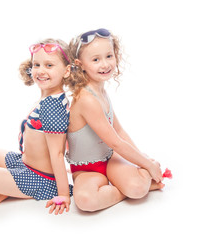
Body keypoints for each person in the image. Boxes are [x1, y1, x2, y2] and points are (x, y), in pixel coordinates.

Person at [0, 38, 73, 215]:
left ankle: (3, 190)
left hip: (38, 178)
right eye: (37, 64)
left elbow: (57, 153)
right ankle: (5, 187)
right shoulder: (48, 98)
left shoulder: (53, 106)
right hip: (23, 163)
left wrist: (63, 195)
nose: (41, 70)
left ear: (67, 71)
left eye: (49, 65)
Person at [65, 28, 165, 212]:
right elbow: (116, 142)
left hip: (111, 158)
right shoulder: (86, 98)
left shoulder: (101, 91)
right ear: (80, 64)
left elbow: (118, 131)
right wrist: (148, 165)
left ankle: (130, 183)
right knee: (86, 201)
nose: (105, 64)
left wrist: (142, 160)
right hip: (86, 169)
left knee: (137, 188)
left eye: (109, 56)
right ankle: (122, 190)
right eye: (95, 59)